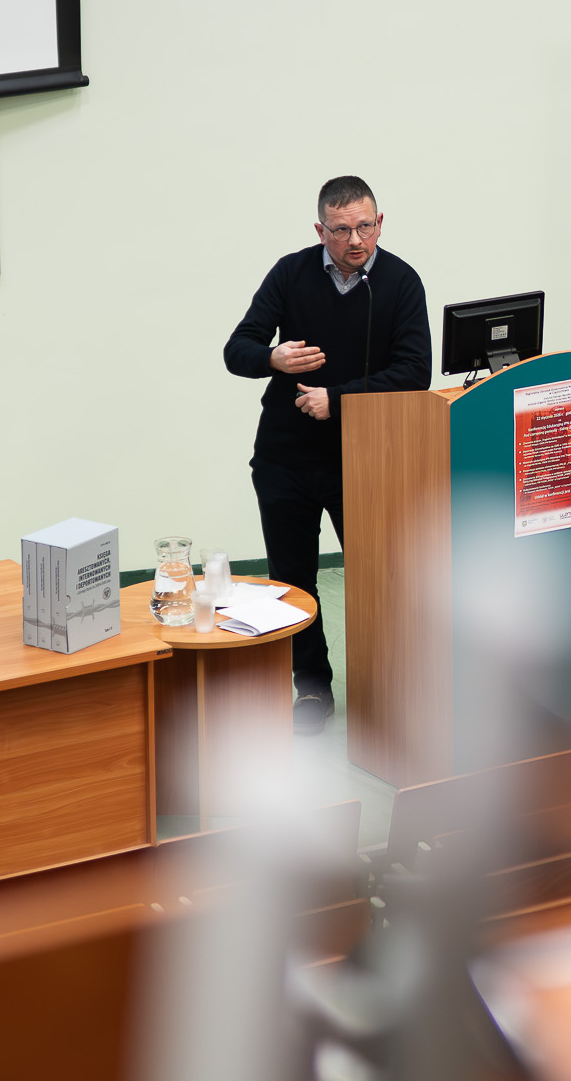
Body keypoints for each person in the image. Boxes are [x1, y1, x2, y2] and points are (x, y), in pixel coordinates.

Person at [224, 175, 431, 734]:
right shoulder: (290, 273)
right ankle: (312, 690)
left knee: (378, 578)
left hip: (362, 458)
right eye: (341, 230)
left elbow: (415, 372)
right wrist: (274, 359)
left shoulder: (400, 282)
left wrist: (335, 400)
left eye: (365, 226)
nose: (355, 240)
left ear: (380, 223)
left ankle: (386, 687)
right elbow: (236, 350)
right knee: (293, 581)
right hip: (284, 458)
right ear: (320, 231)